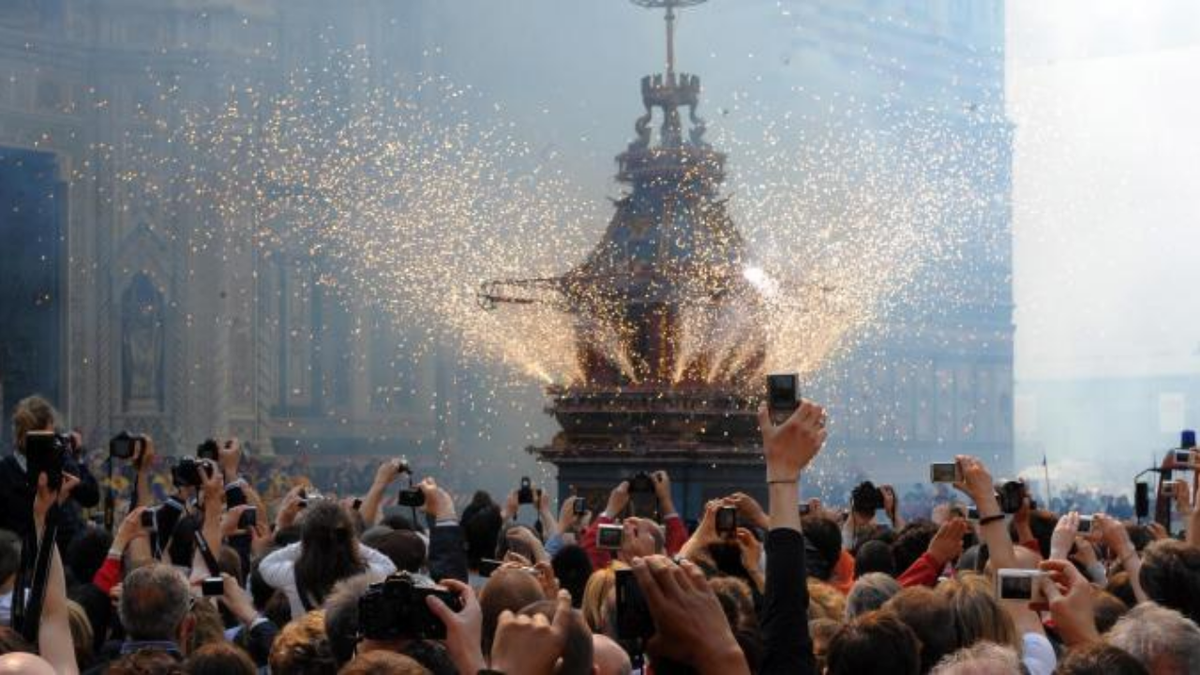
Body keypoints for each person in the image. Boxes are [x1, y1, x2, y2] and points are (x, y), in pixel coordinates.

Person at [257, 500, 396, 620]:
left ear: (306, 537)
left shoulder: (291, 574)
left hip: (308, 640)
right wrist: (348, 542)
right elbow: (389, 566)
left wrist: (310, 541)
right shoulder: (367, 574)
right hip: (350, 640)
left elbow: (266, 564)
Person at [0, 396, 99, 549]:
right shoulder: (59, 463)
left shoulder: (5, 470)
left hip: (27, 553)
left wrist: (71, 456)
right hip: (49, 553)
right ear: (47, 429)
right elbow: (91, 496)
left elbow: (91, 496)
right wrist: (75, 457)